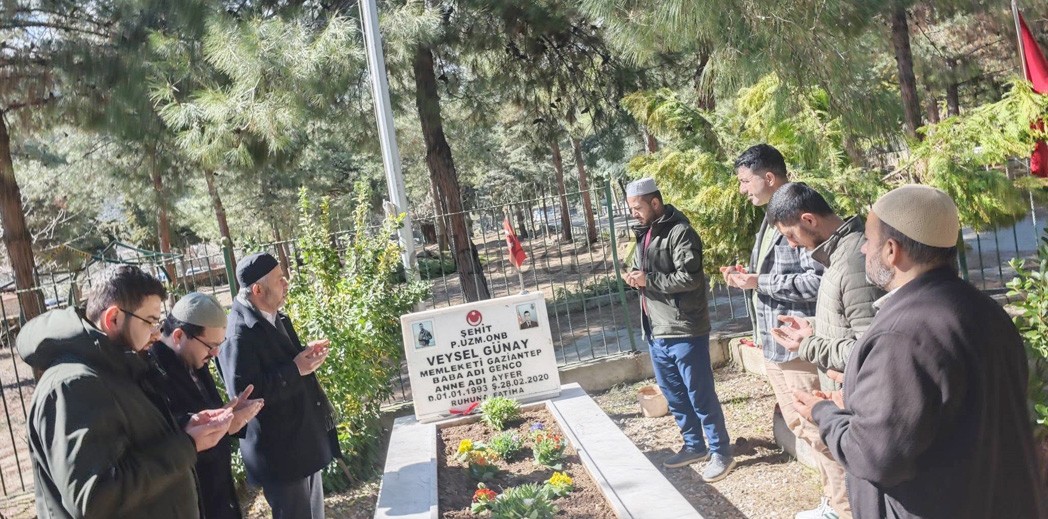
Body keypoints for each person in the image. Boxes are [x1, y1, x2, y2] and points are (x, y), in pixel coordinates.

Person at [794, 185, 1047, 518]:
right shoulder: (985, 310)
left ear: (891, 251)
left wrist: (825, 413)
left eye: (868, 240)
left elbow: (875, 456)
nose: (862, 250)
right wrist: (863, 397)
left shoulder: (903, 335)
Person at [18, 265, 233, 518]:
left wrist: (185, 426)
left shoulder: (118, 366)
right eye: (150, 322)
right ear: (114, 318)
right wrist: (186, 444)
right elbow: (97, 497)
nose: (156, 333)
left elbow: (133, 439)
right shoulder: (72, 386)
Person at [721, 144, 829, 519]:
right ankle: (834, 501)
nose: (741, 189)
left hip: (798, 346)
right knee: (800, 425)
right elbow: (772, 277)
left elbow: (819, 281)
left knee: (818, 428)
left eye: (744, 181)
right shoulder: (770, 219)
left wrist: (760, 281)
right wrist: (748, 279)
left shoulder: (797, 213)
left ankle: (845, 508)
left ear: (769, 177)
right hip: (776, 346)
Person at [765, 183, 885, 518]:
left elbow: (871, 350)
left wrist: (808, 345)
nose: (791, 244)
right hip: (846, 397)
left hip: (857, 403)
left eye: (791, 235)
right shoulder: (838, 256)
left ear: (809, 219)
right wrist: (813, 329)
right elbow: (849, 324)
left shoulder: (852, 261)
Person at [624, 177, 734, 482]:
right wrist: (634, 276)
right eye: (631, 208)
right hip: (656, 330)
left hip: (684, 329)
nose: (634, 213)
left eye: (637, 207)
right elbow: (644, 272)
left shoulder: (681, 232)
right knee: (674, 395)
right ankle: (694, 445)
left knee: (700, 394)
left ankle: (721, 451)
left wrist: (648, 280)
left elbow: (690, 279)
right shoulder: (644, 234)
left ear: (655, 203)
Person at [218, 252, 339, 519]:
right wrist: (296, 369)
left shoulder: (275, 315)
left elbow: (287, 363)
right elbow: (245, 396)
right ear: (258, 289)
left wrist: (306, 356)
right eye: (280, 279)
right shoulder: (238, 333)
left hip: (302, 441)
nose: (286, 283)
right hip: (281, 453)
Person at [151, 292, 264, 519]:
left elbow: (207, 414)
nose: (215, 353)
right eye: (210, 345)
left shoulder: (194, 359)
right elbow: (173, 442)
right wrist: (224, 427)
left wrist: (231, 414)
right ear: (179, 336)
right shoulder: (153, 372)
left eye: (218, 345)